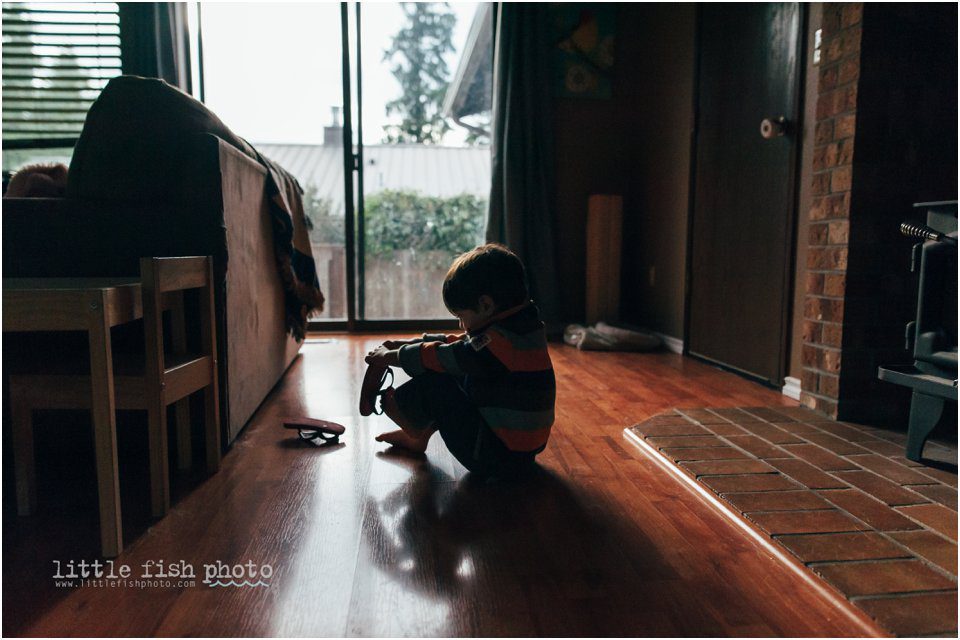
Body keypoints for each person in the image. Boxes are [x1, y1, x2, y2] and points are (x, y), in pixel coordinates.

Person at [363, 243, 556, 478]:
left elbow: (450, 355)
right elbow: (462, 345)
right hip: (519, 453)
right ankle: (419, 437)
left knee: (437, 378)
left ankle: (406, 416)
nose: (461, 324)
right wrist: (408, 344)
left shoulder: (498, 344)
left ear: (486, 305)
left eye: (461, 316)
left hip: (494, 456)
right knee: (454, 368)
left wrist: (393, 356)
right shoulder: (520, 330)